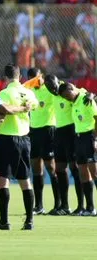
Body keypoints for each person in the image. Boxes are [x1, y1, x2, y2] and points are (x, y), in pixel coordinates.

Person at [0, 64, 38, 230]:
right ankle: (29, 221)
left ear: (5, 77)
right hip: (24, 139)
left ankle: (4, 221)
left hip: (7, 138)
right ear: (20, 76)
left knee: (3, 180)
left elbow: (2, 110)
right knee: (25, 180)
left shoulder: (4, 93)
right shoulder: (29, 93)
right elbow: (34, 105)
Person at [57, 82, 97, 216]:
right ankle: (90, 207)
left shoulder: (86, 99)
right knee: (83, 173)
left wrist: (95, 139)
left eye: (67, 95)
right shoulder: (73, 102)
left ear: (72, 89)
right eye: (64, 97)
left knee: (94, 172)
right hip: (78, 139)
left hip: (89, 137)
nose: (66, 98)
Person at [25, 69, 60, 215]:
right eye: (32, 78)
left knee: (51, 167)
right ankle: (39, 206)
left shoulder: (50, 88)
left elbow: (63, 87)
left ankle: (59, 203)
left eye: (38, 77)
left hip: (48, 130)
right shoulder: (28, 90)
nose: (36, 80)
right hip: (33, 131)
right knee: (36, 169)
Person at [52, 79, 86, 215]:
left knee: (74, 168)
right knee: (59, 168)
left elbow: (82, 91)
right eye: (49, 87)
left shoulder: (66, 89)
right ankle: (64, 206)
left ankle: (81, 206)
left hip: (71, 131)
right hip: (58, 132)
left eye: (53, 86)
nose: (52, 89)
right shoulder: (51, 93)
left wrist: (90, 95)